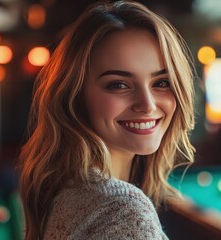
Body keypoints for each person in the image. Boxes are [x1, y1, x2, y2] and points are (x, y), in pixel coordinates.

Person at [19, 0, 195, 239]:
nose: (148, 104)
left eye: (161, 83)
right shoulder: (124, 209)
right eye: (119, 84)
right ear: (75, 96)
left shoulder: (69, 188)